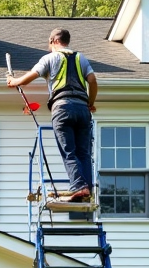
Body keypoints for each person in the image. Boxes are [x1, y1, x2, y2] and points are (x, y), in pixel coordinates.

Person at [7, 28, 98, 202]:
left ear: (54, 41)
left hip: (62, 107)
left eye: (49, 44)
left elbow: (30, 77)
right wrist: (90, 103)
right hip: (82, 109)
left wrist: (14, 81)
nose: (48, 47)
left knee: (68, 151)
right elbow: (92, 81)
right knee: (84, 153)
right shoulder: (81, 58)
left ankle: (79, 187)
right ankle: (88, 189)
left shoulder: (49, 58)